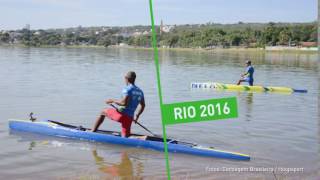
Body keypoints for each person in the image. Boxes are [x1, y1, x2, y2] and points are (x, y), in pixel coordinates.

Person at [92, 71, 145, 137]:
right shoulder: (140, 91)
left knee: (103, 111)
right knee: (125, 138)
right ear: (134, 79)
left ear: (126, 78)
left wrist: (112, 100)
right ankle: (140, 140)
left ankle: (92, 132)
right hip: (130, 118)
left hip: (121, 115)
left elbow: (123, 103)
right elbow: (143, 105)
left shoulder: (128, 89)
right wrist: (137, 115)